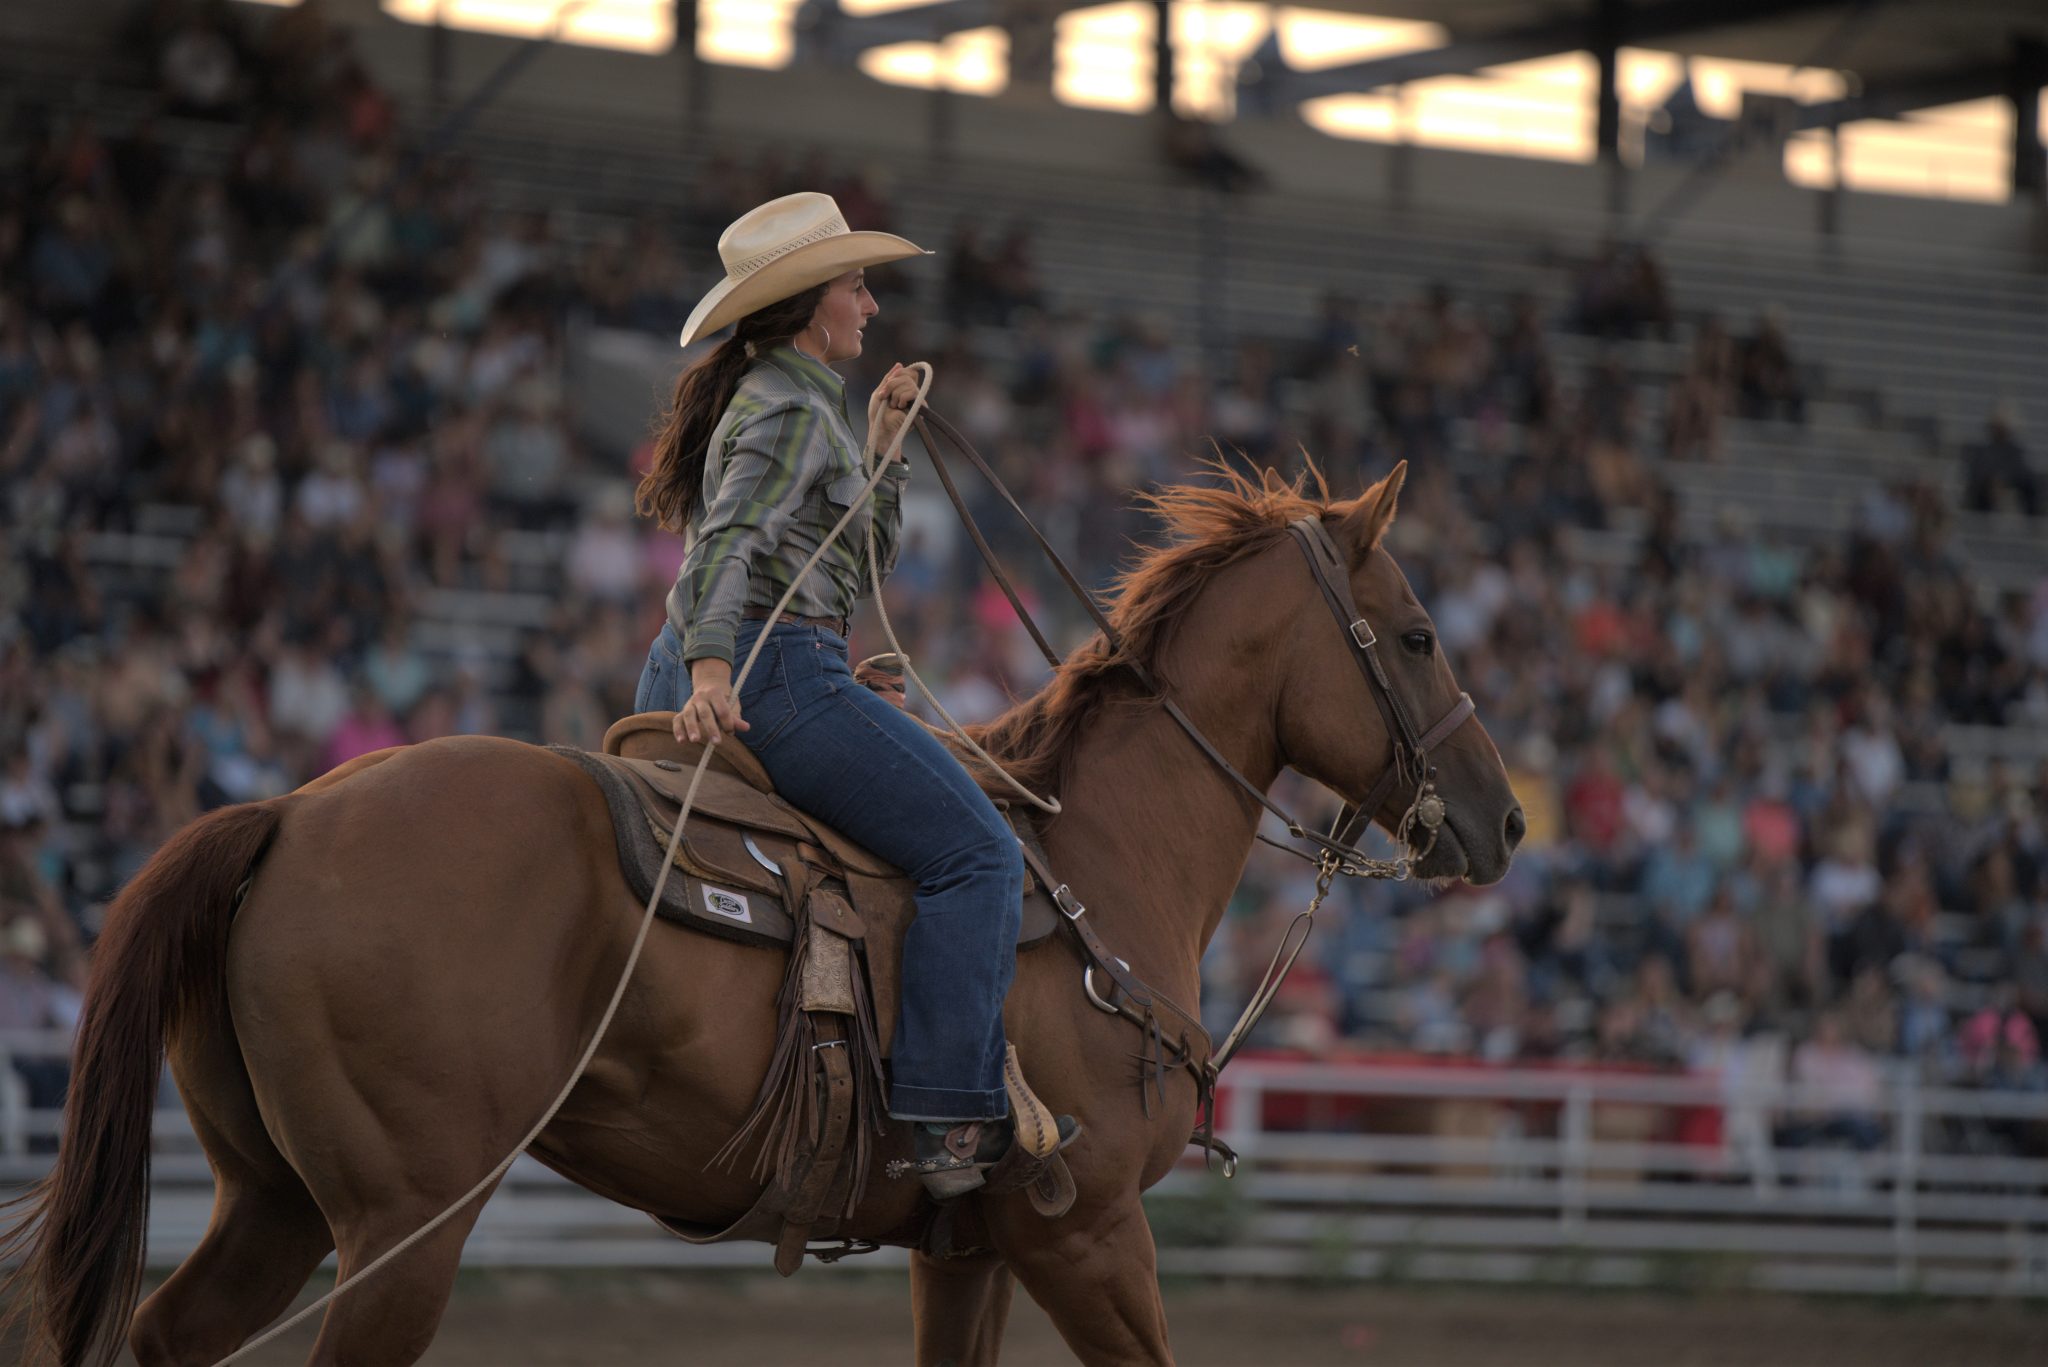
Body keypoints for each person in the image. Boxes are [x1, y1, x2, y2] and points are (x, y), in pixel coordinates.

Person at [632, 192, 1071, 1198]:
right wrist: (712, 666)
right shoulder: (788, 407)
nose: (870, 306)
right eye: (855, 285)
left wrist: (879, 448)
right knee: (980, 855)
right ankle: (947, 1118)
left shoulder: (787, 396)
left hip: (752, 656)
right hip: (769, 671)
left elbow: (845, 556)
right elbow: (730, 544)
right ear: (805, 304)